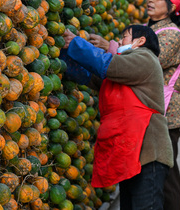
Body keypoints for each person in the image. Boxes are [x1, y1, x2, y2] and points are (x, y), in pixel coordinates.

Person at [90, 0, 180, 210]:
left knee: (165, 176)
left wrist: (109, 47)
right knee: (140, 171)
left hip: (164, 114)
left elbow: (143, 61)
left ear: (172, 7)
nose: (151, 0)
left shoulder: (172, 35)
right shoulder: (143, 30)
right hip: (138, 113)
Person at [63, 25, 174, 210]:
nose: (119, 41)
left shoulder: (145, 58)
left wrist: (75, 42)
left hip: (148, 152)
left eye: (124, 37)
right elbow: (90, 74)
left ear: (141, 41)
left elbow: (107, 64)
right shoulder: (121, 72)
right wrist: (63, 55)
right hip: (129, 153)